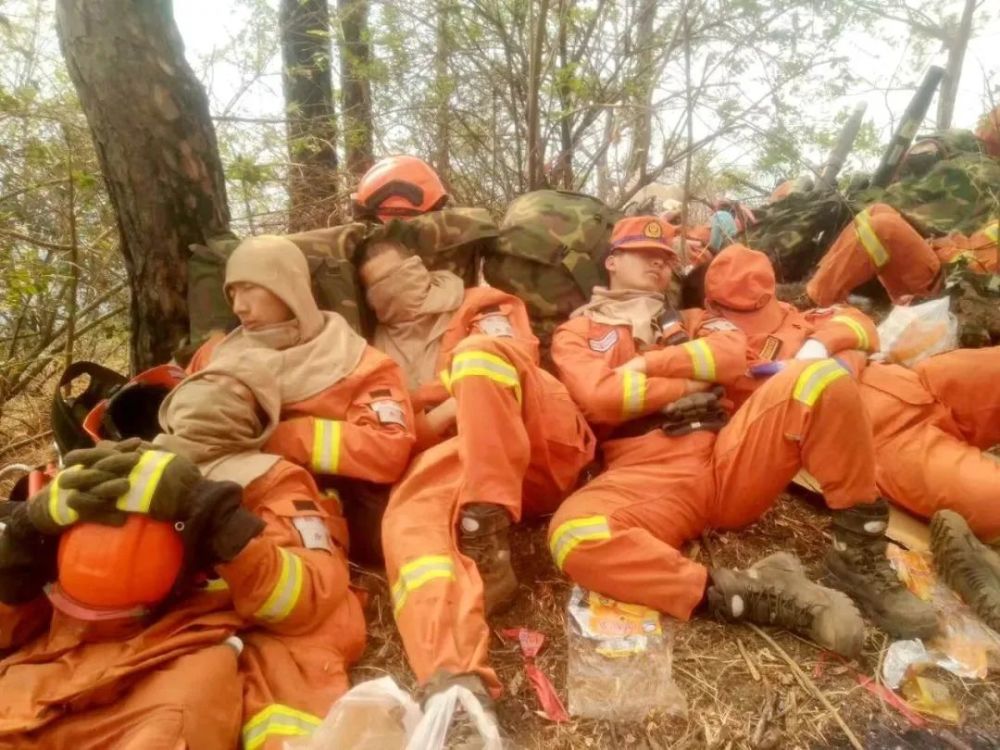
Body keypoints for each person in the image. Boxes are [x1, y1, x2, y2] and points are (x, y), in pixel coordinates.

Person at [546, 216, 937, 656]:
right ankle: (748, 592)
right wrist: (691, 382)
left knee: (819, 377)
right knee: (574, 535)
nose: (658, 265)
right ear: (613, 260)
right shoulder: (576, 332)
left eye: (664, 259)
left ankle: (858, 556)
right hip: (647, 471)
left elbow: (730, 355)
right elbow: (599, 399)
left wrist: (643, 367)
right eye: (645, 254)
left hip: (727, 451)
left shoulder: (693, 318)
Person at [0, 353, 364, 750]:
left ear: (260, 423)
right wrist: (26, 537)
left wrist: (216, 519)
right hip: (53, 673)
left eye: (236, 395)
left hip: (175, 659)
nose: (211, 402)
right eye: (201, 389)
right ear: (170, 410)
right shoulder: (105, 469)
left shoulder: (276, 483)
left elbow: (308, 596)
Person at [703, 242, 1000, 633]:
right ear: (714, 308)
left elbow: (859, 324)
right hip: (885, 440)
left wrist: (825, 347)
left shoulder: (798, 317)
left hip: (920, 382)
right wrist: (841, 360)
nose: (765, 316)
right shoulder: (712, 341)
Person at [356, 236, 595, 706]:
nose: (393, 291)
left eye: (399, 274)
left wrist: (434, 404)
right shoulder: (374, 355)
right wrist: (445, 413)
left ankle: (484, 528)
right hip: (460, 456)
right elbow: (400, 432)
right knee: (408, 519)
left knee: (478, 357)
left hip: (539, 438)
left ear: (421, 267)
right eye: (376, 287)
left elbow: (511, 364)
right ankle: (455, 684)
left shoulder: (480, 303)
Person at [188, 234, 416, 563]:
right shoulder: (214, 356)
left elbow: (388, 449)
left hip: (317, 509)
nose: (239, 307)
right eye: (232, 292)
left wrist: (287, 439)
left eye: (250, 287)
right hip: (216, 500)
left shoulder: (358, 362)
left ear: (289, 287)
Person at [806, 203, 997, 307]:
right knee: (877, 209)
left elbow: (982, 275)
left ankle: (814, 301)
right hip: (942, 261)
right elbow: (971, 246)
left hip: (950, 285)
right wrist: (941, 241)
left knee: (883, 228)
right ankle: (819, 278)